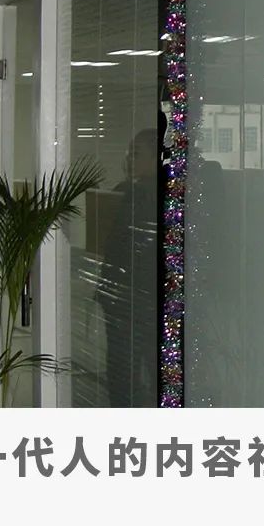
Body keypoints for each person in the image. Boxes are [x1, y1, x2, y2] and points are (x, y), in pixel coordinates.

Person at [95, 128, 158, 407]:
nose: (130, 159)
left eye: (137, 153)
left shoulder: (134, 194)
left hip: (135, 296)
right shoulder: (127, 191)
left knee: (128, 366)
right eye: (129, 153)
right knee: (131, 365)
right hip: (125, 295)